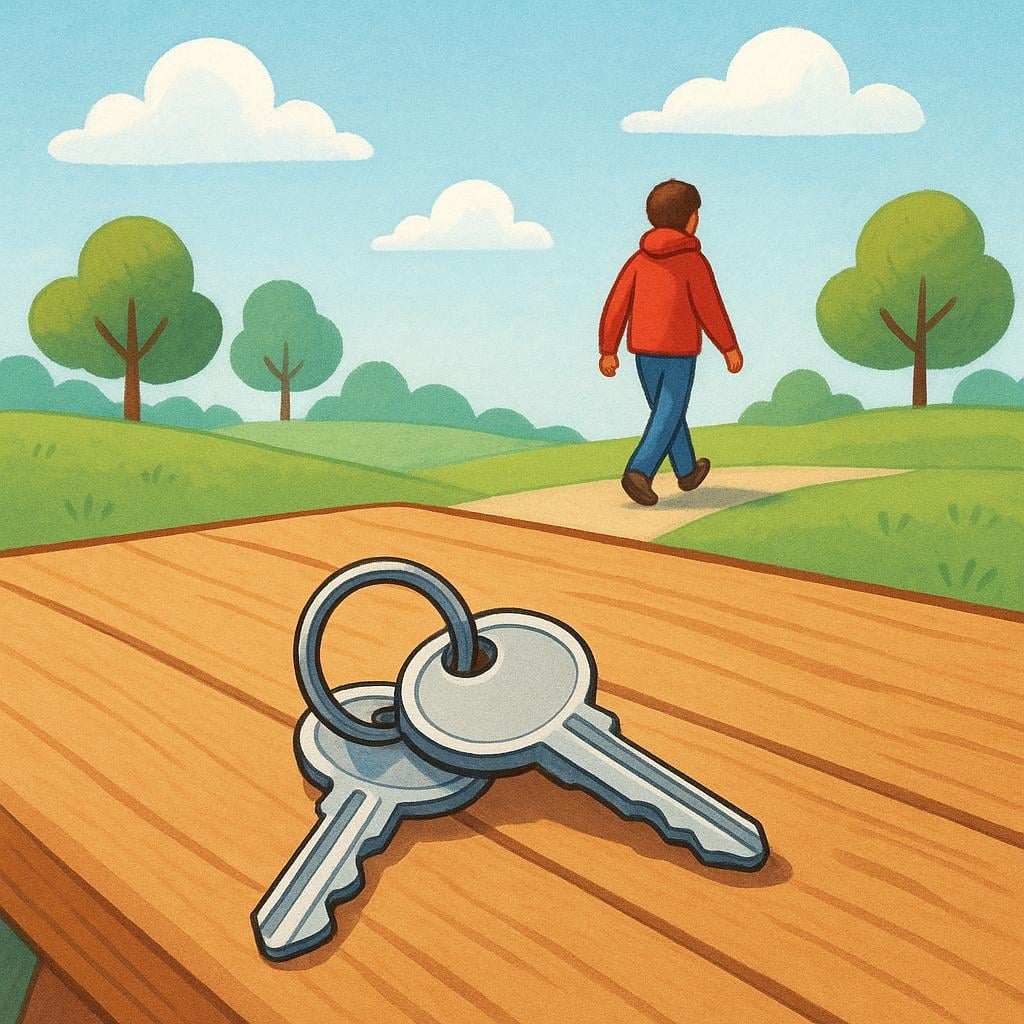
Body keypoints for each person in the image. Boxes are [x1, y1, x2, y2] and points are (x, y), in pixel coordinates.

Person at [599, 179, 743, 506]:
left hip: (643, 352)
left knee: (667, 410)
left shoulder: (638, 261)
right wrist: (728, 347)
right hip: (679, 352)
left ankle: (687, 470)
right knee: (669, 409)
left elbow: (616, 304)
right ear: (689, 219)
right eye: (696, 213)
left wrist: (608, 349)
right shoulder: (693, 261)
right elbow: (710, 308)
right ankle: (639, 470)